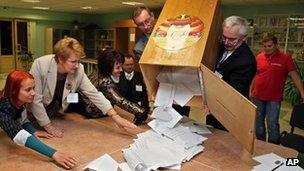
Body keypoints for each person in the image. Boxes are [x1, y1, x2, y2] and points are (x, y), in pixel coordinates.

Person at [29, 37, 136, 138]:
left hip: (54, 112)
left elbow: (93, 93)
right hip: (33, 112)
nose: (77, 65)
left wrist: (115, 116)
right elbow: (36, 99)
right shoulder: (40, 65)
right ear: (61, 59)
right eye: (73, 62)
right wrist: (48, 126)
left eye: (79, 61)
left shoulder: (79, 69)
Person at [0, 70, 78, 169]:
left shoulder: (18, 100)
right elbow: (18, 135)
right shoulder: (3, 109)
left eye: (33, 88)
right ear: (14, 91)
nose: (33, 93)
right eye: (28, 90)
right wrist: (54, 154)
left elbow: (22, 119)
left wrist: (33, 131)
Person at [133, 6, 191, 116]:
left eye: (147, 21)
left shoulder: (174, 32)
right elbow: (150, 75)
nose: (146, 26)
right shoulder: (139, 48)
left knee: (183, 119)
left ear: (153, 16)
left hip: (182, 87)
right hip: (162, 91)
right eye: (141, 24)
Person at [250, 34, 304, 144]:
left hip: (274, 98)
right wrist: (250, 90)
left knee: (272, 123)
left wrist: (303, 93)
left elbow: (295, 75)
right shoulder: (259, 57)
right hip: (257, 96)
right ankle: (260, 145)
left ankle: (274, 147)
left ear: (276, 45)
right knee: (258, 123)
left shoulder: (285, 58)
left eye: (269, 46)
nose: (266, 49)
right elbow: (256, 75)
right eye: (264, 46)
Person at [206, 16, 257, 130]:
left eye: (232, 39)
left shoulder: (246, 60)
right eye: (224, 37)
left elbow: (233, 92)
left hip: (230, 111)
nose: (226, 42)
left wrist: (210, 100)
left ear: (244, 38)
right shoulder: (221, 47)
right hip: (214, 109)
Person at [79, 49, 148, 125]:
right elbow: (120, 101)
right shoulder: (105, 82)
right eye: (117, 67)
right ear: (108, 67)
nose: (121, 70)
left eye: (121, 66)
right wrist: (140, 111)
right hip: (93, 113)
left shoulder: (99, 71)